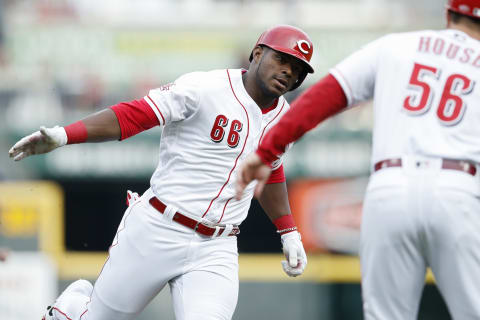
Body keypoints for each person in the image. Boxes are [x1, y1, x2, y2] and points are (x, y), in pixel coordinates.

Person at [9, 25, 312, 320]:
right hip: (158, 227)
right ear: (257, 53)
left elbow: (270, 170)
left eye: (298, 68)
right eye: (282, 59)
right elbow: (135, 115)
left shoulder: (287, 120)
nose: (288, 71)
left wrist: (288, 231)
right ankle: (72, 308)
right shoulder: (205, 88)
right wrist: (65, 135)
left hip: (216, 247)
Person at [235, 1, 480, 319]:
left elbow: (324, 97)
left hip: (390, 187)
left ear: (449, 13)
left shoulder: (397, 46)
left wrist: (268, 151)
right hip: (458, 188)